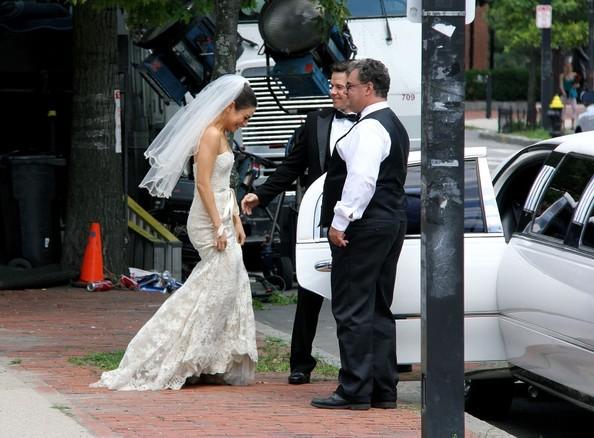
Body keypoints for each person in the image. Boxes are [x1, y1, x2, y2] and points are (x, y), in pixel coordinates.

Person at [91, 75, 258, 390]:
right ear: (231, 106)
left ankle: (208, 356)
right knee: (212, 285)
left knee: (227, 286)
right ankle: (174, 349)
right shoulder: (209, 134)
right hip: (207, 219)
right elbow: (204, 184)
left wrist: (235, 217)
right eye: (244, 117)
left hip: (223, 212)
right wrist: (219, 225)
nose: (243, 124)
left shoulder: (223, 133)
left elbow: (226, 184)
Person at [241, 62, 356, 385]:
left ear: (356, 88)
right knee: (308, 291)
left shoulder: (371, 122)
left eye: (339, 86)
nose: (332, 91)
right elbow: (291, 166)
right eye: (331, 85)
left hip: (358, 222)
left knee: (355, 295)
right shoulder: (316, 121)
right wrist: (260, 195)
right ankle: (300, 363)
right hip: (317, 220)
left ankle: (360, 364)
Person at [311, 59, 409, 410]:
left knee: (352, 306)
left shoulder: (370, 128)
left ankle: (354, 389)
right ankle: (384, 388)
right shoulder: (393, 124)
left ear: (368, 88)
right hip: (391, 221)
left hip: (365, 226)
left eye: (349, 86)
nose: (344, 92)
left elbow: (362, 179)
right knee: (379, 307)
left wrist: (340, 220)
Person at [559, 60, 578, 130]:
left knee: (574, 109)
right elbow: (561, 86)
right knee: (563, 110)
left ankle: (572, 125)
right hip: (565, 94)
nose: (567, 68)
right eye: (566, 67)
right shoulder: (562, 75)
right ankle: (563, 125)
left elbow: (577, 85)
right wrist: (564, 93)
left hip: (572, 94)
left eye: (568, 67)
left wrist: (574, 85)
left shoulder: (574, 75)